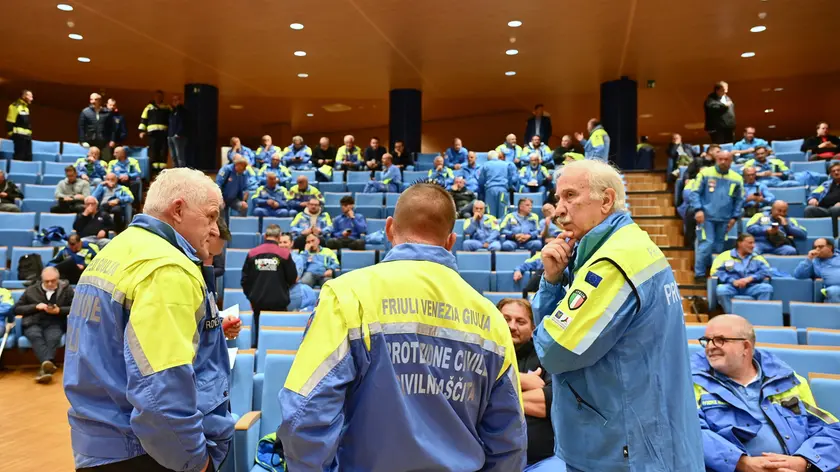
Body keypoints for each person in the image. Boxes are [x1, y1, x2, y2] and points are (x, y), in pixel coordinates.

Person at [277, 183, 526, 471]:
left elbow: (305, 416)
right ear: (451, 241)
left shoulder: (347, 296)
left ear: (389, 228)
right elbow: (509, 439)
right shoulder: (491, 318)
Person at [530, 159, 703, 471]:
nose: (558, 209)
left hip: (622, 446)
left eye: (570, 196)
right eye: (558, 198)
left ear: (606, 200)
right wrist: (554, 281)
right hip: (637, 431)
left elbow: (554, 351)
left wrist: (551, 296)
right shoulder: (622, 246)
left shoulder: (613, 262)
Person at [63, 168, 232, 472]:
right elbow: (161, 389)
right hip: (147, 453)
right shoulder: (166, 268)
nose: (214, 229)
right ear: (178, 210)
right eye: (209, 216)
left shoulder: (117, 250)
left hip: (99, 445)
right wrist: (197, 461)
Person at [693, 315, 840, 470]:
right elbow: (690, 432)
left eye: (720, 340)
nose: (710, 346)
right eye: (706, 340)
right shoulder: (690, 384)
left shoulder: (788, 382)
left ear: (746, 347)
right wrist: (742, 463)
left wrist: (804, 462)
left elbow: (832, 430)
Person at [497, 298, 563, 471]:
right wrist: (521, 380)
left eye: (520, 321)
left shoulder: (547, 356)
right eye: (505, 319)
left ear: (533, 328)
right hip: (489, 458)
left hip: (541, 460)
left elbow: (549, 402)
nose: (512, 326)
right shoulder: (482, 352)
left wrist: (493, 394)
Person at [689, 151, 744, 281]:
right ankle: (700, 274)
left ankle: (715, 273)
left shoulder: (737, 178)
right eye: (720, 159)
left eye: (726, 159)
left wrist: (734, 218)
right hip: (706, 217)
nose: (723, 162)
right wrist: (698, 210)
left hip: (725, 219)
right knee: (706, 244)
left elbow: (739, 200)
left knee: (718, 247)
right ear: (716, 159)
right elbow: (694, 193)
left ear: (731, 161)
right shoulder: (705, 173)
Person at [14, 267, 73, 384]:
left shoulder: (67, 290)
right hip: (33, 322)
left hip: (54, 322)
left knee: (53, 337)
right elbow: (16, 309)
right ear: (42, 280)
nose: (50, 283)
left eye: (53, 280)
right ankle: (48, 364)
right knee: (35, 335)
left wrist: (59, 310)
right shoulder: (31, 290)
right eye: (47, 281)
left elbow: (75, 308)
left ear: (58, 279)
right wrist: (35, 306)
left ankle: (44, 369)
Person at [241, 224, 299, 330]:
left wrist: (252, 297)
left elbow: (245, 280)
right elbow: (292, 278)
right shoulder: (284, 254)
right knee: (278, 334)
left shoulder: (252, 253)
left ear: (265, 236)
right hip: (279, 302)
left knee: (260, 334)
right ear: (279, 236)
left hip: (258, 302)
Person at [711, 233, 773, 313]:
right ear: (740, 243)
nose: (753, 246)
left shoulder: (757, 257)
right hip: (732, 286)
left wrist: (750, 278)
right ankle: (732, 316)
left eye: (754, 243)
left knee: (766, 288)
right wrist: (732, 281)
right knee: (722, 289)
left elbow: (767, 271)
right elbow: (716, 272)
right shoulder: (725, 256)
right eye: (750, 243)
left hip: (751, 286)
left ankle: (760, 317)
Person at [276, 233, 318, 311]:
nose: (282, 245)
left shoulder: (297, 259)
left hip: (292, 293)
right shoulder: (273, 258)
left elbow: (294, 279)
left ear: (291, 243)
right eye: (280, 242)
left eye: (285, 242)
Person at [794, 238, 840, 303]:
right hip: (835, 288)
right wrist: (809, 259)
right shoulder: (815, 262)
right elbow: (798, 275)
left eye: (820, 247)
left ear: (830, 247)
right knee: (833, 291)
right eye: (815, 247)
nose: (817, 249)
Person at [138, 90, 172, 173]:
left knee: (163, 152)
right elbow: (143, 119)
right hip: (152, 134)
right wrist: (142, 131)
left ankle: (162, 171)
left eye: (160, 96)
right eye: (157, 96)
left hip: (163, 134)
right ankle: (153, 171)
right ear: (154, 97)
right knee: (153, 152)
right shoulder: (149, 108)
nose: (158, 98)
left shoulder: (167, 108)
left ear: (162, 97)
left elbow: (172, 120)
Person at [478, 150, 517, 219]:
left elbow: (481, 180)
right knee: (504, 212)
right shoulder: (506, 164)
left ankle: (492, 229)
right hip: (503, 190)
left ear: (488, 158)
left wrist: (482, 191)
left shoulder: (485, 165)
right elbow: (511, 179)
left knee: (490, 214)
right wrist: (509, 187)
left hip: (490, 190)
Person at [806, 161, 840, 236]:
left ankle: (835, 236)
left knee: (835, 209)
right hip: (824, 209)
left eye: (838, 170)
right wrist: (813, 198)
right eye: (833, 171)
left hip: (837, 209)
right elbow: (814, 193)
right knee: (809, 209)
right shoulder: (826, 184)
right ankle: (812, 235)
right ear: (830, 174)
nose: (836, 172)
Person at [78, 93, 113, 161]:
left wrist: (112, 140)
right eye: (91, 99)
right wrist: (82, 141)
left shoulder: (108, 112)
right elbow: (81, 127)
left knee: (105, 161)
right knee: (89, 161)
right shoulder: (85, 112)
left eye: (95, 99)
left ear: (100, 101)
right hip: (89, 141)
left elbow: (112, 128)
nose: (93, 101)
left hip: (104, 142)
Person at [6, 89, 33, 161]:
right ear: (24, 96)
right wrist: (12, 134)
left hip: (27, 137)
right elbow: (9, 121)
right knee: (19, 158)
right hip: (18, 137)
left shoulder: (26, 108)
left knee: (28, 158)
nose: (32, 99)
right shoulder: (14, 106)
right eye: (30, 96)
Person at [167, 94, 188, 168]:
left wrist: (178, 133)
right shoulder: (172, 111)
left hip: (179, 137)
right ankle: (175, 171)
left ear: (180, 101)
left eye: (177, 100)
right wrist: (169, 135)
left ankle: (181, 172)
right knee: (173, 156)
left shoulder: (183, 111)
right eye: (173, 100)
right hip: (170, 136)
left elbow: (184, 123)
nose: (175, 101)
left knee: (180, 156)